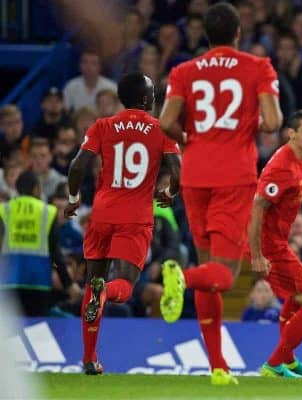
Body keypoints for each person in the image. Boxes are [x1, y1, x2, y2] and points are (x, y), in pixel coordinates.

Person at [158, 2, 282, 386]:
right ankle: (180, 276)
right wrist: (250, 123)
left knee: (209, 270)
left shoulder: (183, 71)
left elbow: (165, 123)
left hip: (195, 175)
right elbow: (274, 122)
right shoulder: (257, 67)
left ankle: (217, 366)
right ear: (238, 33)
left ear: (206, 35)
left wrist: (188, 138)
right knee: (224, 275)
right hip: (234, 176)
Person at [64, 72, 180, 375]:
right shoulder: (161, 130)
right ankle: (104, 292)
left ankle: (89, 358)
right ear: (143, 98)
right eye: (153, 92)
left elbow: (77, 166)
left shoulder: (102, 125)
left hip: (102, 213)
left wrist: (74, 198)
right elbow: (179, 173)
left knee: (92, 282)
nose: (155, 97)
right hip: (135, 217)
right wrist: (168, 193)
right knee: (125, 287)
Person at [248, 109, 302, 378]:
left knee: (296, 297)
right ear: (291, 133)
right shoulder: (282, 166)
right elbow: (257, 207)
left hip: (279, 241)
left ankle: (288, 361)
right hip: (270, 246)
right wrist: (257, 255)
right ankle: (274, 363)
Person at [0, 171, 80, 316]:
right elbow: (55, 254)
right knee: (35, 332)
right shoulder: (47, 212)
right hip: (38, 284)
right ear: (36, 188)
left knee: (11, 335)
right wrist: (68, 284)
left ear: (17, 188)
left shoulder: (4, 210)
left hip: (8, 283)